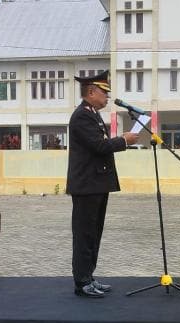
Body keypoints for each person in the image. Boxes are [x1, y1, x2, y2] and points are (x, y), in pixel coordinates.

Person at [66, 70, 139, 298]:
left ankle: (89, 277)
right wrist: (123, 141)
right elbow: (99, 146)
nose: (107, 97)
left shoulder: (93, 114)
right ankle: (82, 282)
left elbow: (101, 145)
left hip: (96, 184)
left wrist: (119, 141)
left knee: (94, 234)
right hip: (87, 186)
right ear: (90, 91)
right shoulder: (82, 116)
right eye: (104, 92)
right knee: (85, 235)